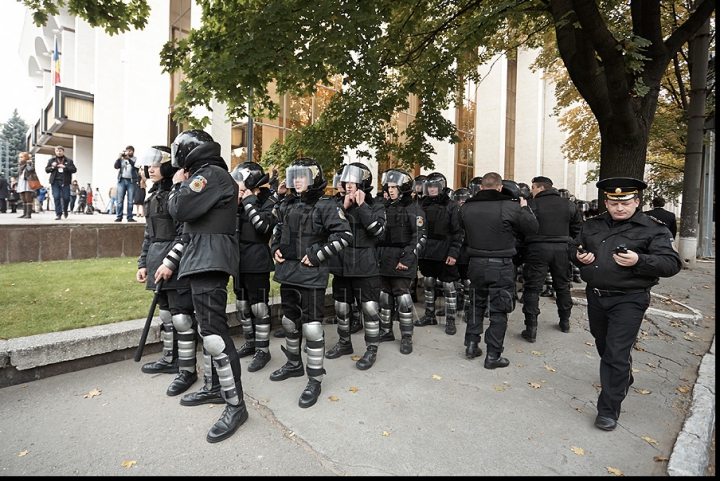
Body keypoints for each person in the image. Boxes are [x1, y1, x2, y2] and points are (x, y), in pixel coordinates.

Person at [570, 177, 682, 431]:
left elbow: (672, 264)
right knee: (603, 344)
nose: (619, 208)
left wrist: (639, 260)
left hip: (629, 299)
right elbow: (573, 246)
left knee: (616, 352)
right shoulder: (593, 225)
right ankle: (622, 377)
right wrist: (579, 256)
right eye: (613, 203)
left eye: (626, 202)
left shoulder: (654, 228)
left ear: (637, 202)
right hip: (596, 296)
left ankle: (608, 410)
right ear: (606, 203)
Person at [162, 129, 247, 443]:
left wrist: (177, 185)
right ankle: (214, 388)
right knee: (207, 330)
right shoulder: (208, 175)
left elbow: (179, 210)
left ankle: (236, 405)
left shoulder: (209, 175)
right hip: (202, 259)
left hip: (210, 260)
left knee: (214, 335)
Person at [270, 157, 353, 408]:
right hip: (288, 272)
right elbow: (277, 230)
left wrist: (318, 255)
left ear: (313, 178)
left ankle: (315, 379)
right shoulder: (287, 204)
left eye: (302, 176)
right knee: (289, 321)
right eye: (294, 176)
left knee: (313, 327)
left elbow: (344, 235)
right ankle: (294, 364)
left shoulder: (326, 204)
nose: (297, 180)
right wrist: (275, 247)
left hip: (312, 274)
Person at [136, 145, 199, 397]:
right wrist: (143, 263)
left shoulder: (179, 194)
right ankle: (170, 359)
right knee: (166, 316)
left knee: (182, 318)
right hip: (155, 263)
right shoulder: (151, 197)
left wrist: (170, 262)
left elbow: (186, 233)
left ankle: (187, 370)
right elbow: (149, 234)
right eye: (147, 164)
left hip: (177, 263)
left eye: (155, 163)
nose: (150, 168)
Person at [459, 173, 539, 368]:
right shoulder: (510, 207)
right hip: (500, 264)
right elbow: (532, 228)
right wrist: (524, 208)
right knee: (499, 310)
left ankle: (471, 345)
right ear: (500, 187)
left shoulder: (467, 207)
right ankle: (493, 356)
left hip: (476, 263)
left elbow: (461, 228)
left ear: (480, 188)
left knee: (476, 304)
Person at [325, 162, 386, 370]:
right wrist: (344, 207)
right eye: (346, 180)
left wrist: (362, 207)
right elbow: (326, 228)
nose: (347, 184)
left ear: (363, 182)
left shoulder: (376, 204)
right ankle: (344, 343)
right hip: (342, 263)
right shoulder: (337, 203)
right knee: (341, 306)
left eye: (352, 180)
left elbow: (378, 231)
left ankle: (371, 349)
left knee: (369, 307)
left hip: (365, 265)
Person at [519, 176, 584, 342]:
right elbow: (577, 229)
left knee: (532, 288)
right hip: (562, 249)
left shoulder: (531, 205)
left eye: (533, 188)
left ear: (540, 188)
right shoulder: (569, 205)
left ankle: (531, 328)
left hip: (537, 249)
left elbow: (522, 228)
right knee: (562, 286)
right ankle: (565, 321)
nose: (531, 191)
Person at [231, 161, 278, 373]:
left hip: (257, 260)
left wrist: (249, 201)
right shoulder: (237, 202)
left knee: (259, 307)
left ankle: (263, 350)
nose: (237, 186)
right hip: (238, 260)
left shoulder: (268, 201)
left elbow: (263, 226)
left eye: (241, 182)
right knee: (242, 305)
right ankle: (250, 342)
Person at [376, 168, 426, 354]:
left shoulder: (414, 209)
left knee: (403, 298)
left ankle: (406, 337)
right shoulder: (384, 207)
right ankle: (386, 331)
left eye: (394, 187)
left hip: (402, 259)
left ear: (403, 188)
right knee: (384, 296)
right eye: (388, 187)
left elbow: (419, 237)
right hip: (384, 258)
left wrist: (406, 258)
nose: (390, 190)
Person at [413, 172, 463, 336]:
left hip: (445, 253)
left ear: (441, 187)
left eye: (435, 186)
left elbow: (458, 232)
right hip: (427, 253)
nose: (432, 189)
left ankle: (450, 320)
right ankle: (429, 315)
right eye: (430, 186)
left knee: (448, 286)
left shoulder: (452, 206)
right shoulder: (421, 206)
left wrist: (454, 253)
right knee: (428, 283)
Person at [45, 146, 77, 220]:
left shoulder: (69, 161)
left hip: (65, 181)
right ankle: (58, 214)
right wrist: (52, 168)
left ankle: (65, 209)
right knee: (56, 197)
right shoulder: (51, 160)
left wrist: (65, 167)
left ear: (63, 151)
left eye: (60, 151)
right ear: (55, 152)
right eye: (57, 151)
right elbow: (46, 170)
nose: (58, 152)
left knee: (66, 198)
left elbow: (74, 170)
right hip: (55, 181)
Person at [114, 145, 139, 222]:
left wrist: (129, 160)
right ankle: (119, 216)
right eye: (127, 151)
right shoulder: (121, 159)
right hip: (121, 180)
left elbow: (136, 168)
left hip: (131, 181)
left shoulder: (135, 159)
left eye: (130, 151)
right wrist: (118, 159)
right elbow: (116, 166)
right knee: (120, 200)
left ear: (133, 151)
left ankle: (129, 217)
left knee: (130, 200)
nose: (128, 152)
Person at [17, 152, 37, 219]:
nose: (20, 158)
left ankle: (28, 214)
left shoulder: (30, 163)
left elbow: (30, 170)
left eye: (22, 157)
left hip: (28, 182)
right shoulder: (20, 165)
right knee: (23, 199)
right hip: (21, 182)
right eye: (19, 157)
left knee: (28, 198)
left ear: (26, 157)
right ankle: (24, 213)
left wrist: (28, 163)